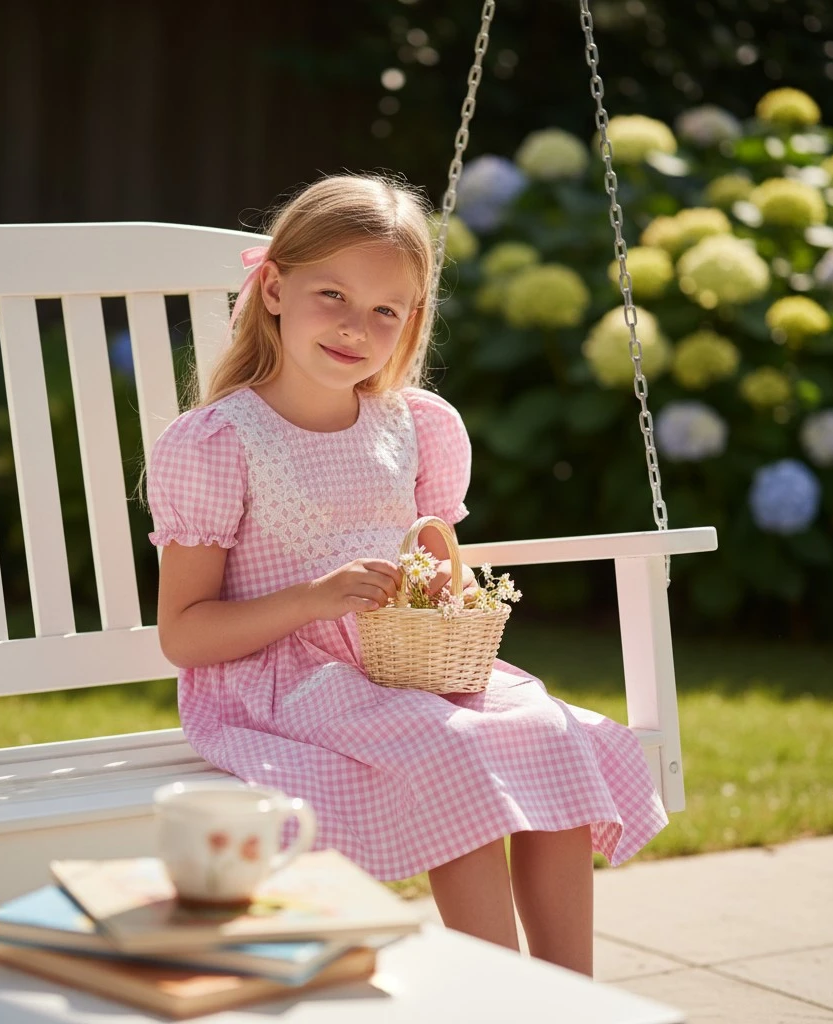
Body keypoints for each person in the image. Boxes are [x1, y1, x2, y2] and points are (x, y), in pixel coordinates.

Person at [147, 173, 668, 976]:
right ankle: (493, 997)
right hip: (281, 686)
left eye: (385, 310)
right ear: (275, 289)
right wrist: (314, 601)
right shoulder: (220, 441)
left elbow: (443, 578)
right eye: (333, 295)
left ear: (412, 320)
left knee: (549, 733)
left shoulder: (417, 427)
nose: (357, 327)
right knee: (454, 758)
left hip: (411, 670)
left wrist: (449, 605)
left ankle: (571, 996)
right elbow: (184, 635)